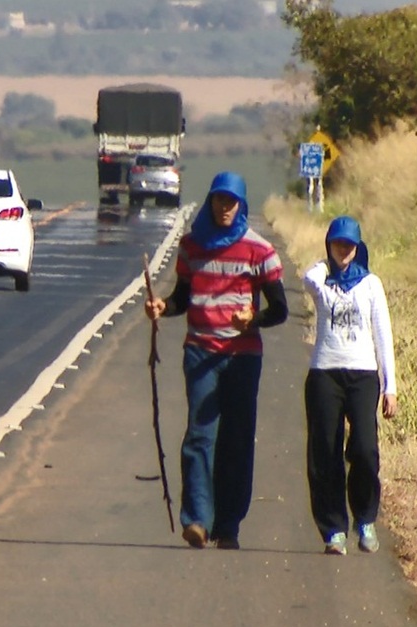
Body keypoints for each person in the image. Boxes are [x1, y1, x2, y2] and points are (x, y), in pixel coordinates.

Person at [145, 171, 288, 550]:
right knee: (199, 436)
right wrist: (163, 307)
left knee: (236, 441)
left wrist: (252, 319)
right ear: (210, 201)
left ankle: (228, 525)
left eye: (232, 202)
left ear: (241, 206)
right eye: (219, 201)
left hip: (242, 358)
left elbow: (279, 311)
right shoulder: (192, 246)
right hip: (200, 352)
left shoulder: (260, 251)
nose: (224, 208)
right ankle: (196, 521)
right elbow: (182, 297)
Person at [302, 215, 398, 556]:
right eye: (337, 243)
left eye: (349, 244)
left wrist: (391, 387)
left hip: (362, 376)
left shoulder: (371, 284)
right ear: (329, 245)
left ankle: (365, 519)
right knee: (324, 452)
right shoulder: (323, 281)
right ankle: (333, 529)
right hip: (325, 373)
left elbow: (383, 335)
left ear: (358, 248)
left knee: (364, 449)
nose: (343, 250)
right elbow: (307, 279)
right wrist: (325, 265)